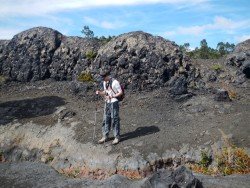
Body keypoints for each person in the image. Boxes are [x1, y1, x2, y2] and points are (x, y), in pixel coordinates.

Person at [95, 70, 123, 145]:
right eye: (102, 78)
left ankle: (117, 137)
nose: (102, 79)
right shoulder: (104, 82)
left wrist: (112, 96)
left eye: (103, 77)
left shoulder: (115, 82)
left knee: (114, 119)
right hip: (107, 102)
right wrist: (100, 93)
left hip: (114, 102)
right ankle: (105, 136)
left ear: (107, 75)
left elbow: (120, 92)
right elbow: (105, 92)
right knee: (105, 119)